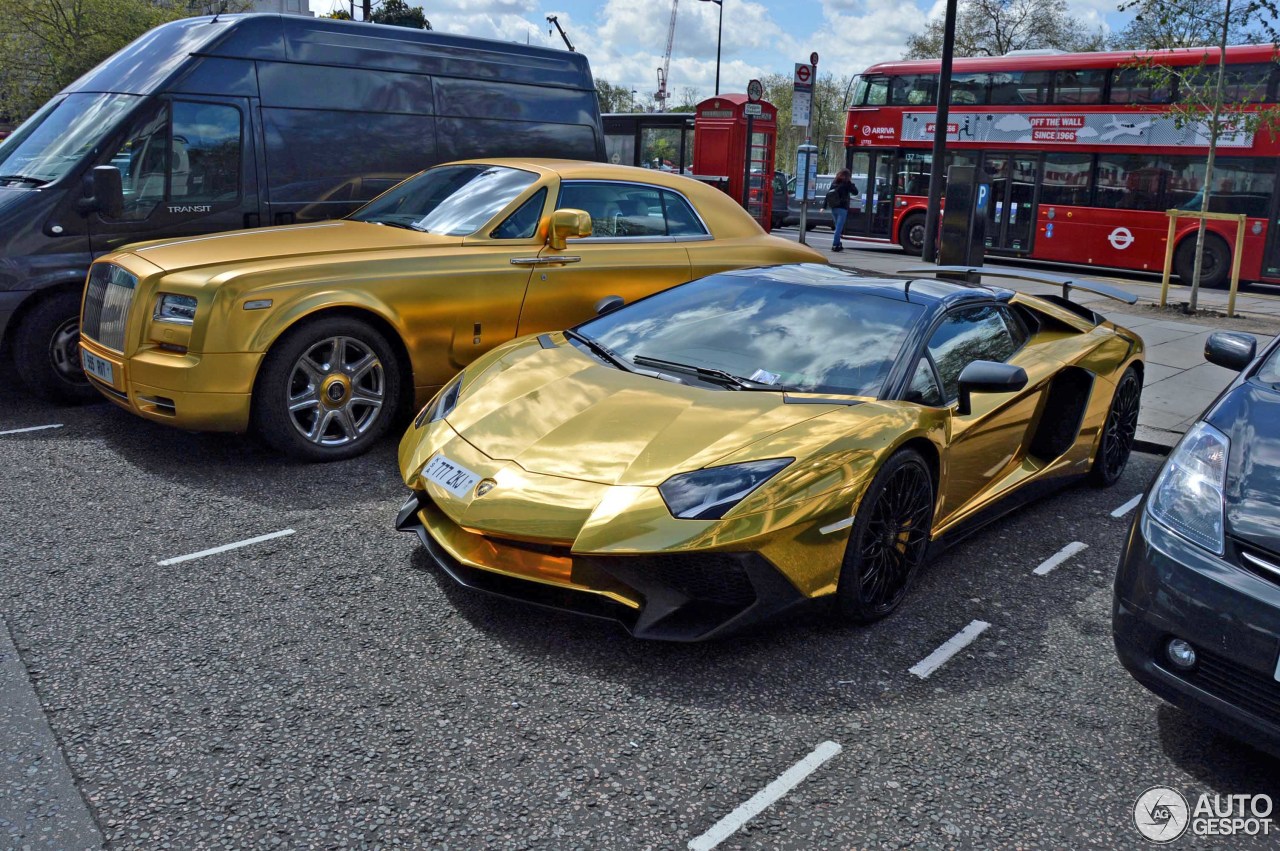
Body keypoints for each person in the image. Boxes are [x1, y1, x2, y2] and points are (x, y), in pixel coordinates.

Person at [825, 169, 854, 252]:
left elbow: (828, 195)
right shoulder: (846, 184)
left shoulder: (834, 183)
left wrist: (824, 206)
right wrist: (850, 183)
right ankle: (835, 244)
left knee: (837, 227)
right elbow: (855, 192)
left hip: (834, 208)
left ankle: (838, 243)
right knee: (839, 228)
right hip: (842, 209)